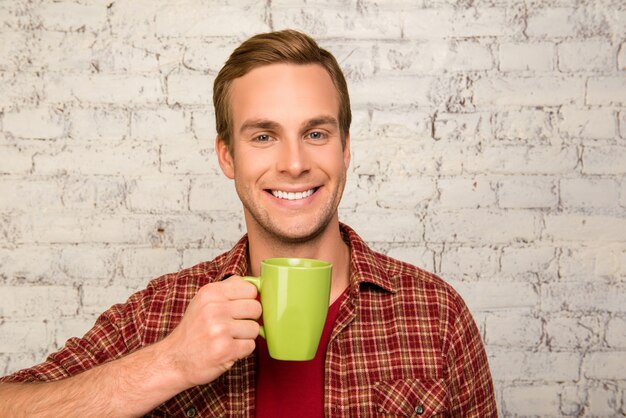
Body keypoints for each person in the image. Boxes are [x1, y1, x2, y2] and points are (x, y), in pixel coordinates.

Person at [0, 30, 497, 417]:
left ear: (345, 149)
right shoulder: (163, 313)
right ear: (227, 156)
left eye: (316, 133)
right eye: (263, 137)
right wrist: (169, 363)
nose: (295, 163)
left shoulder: (437, 315)